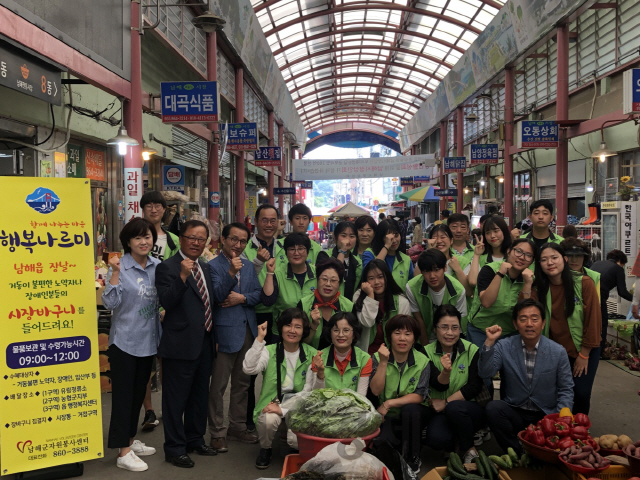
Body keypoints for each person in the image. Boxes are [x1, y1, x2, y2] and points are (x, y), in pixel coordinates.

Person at [155, 220, 218, 468]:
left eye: (201, 239)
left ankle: (195, 439)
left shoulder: (205, 266)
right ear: (181, 238)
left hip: (204, 341)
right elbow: (167, 302)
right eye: (191, 237)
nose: (196, 242)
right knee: (175, 400)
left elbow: (209, 302)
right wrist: (182, 276)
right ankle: (174, 448)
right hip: (179, 344)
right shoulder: (167, 268)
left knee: (199, 396)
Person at [479, 299, 574, 455]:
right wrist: (489, 343)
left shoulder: (558, 351)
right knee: (493, 408)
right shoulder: (504, 345)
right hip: (515, 410)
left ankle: (538, 452)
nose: (529, 324)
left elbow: (566, 388)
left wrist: (560, 417)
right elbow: (485, 373)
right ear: (515, 324)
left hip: (545, 414)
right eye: (523, 319)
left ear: (543, 323)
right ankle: (517, 453)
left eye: (534, 319)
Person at [102, 218, 160, 472]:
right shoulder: (119, 266)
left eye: (147, 237)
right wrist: (114, 272)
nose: (143, 241)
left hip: (148, 341)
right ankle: (122, 452)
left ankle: (129, 440)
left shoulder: (157, 266)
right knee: (124, 398)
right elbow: (110, 304)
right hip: (124, 342)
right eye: (137, 238)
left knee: (137, 396)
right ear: (128, 242)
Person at [242, 309, 321, 469]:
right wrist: (259, 339)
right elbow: (248, 369)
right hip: (273, 401)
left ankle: (292, 445)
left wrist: (283, 410)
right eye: (288, 325)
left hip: (299, 404)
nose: (292, 330)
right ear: (281, 328)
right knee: (268, 420)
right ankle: (266, 448)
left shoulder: (312, 354)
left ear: (304, 331)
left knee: (294, 440)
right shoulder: (269, 351)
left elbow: (310, 391)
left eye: (297, 327)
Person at [207, 222, 261, 453]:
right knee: (218, 385)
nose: (238, 245)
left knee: (242, 383)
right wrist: (231, 273)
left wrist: (242, 298)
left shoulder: (248, 266)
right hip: (224, 332)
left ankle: (237, 427)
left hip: (247, 330)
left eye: (242, 242)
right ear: (224, 240)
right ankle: (217, 432)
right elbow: (217, 295)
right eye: (234, 240)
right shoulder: (212, 266)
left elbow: (258, 294)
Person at [532, 243, 601, 414]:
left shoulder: (584, 283)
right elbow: (525, 315)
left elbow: (593, 320)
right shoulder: (539, 288)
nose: (550, 263)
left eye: (554, 257)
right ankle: (559, 430)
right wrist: (527, 284)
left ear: (564, 259)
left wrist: (584, 354)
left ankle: (580, 430)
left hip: (582, 349)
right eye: (544, 260)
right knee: (555, 393)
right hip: (554, 352)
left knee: (581, 393)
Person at [424, 305, 486, 465]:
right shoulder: (426, 352)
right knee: (436, 439)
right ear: (435, 329)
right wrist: (445, 372)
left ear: (460, 329)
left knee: (454, 408)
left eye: (454, 328)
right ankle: (453, 444)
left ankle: (469, 449)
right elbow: (436, 385)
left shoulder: (471, 349)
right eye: (444, 327)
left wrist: (446, 403)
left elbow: (474, 386)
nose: (450, 333)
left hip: (467, 410)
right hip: (439, 412)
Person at [241, 204, 284, 431]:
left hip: (278, 317)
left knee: (277, 371)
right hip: (251, 316)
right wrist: (257, 263)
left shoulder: (284, 249)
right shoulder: (245, 249)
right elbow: (242, 281)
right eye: (264, 220)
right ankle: (247, 421)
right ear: (255, 222)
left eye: (273, 220)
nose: (269, 224)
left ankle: (276, 417)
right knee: (248, 372)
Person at [370, 314, 431, 475]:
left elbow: (419, 395)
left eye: (408, 334)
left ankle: (413, 456)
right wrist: (383, 362)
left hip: (410, 413)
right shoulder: (377, 357)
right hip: (386, 416)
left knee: (411, 410)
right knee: (384, 444)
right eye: (397, 333)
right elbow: (375, 390)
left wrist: (388, 403)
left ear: (414, 338)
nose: (402, 338)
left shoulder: (422, 361)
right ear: (389, 336)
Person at [140, 191, 180, 431]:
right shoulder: (134, 235)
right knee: (145, 362)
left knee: (167, 362)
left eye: (158, 206)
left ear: (165, 210)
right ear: (143, 209)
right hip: (142, 307)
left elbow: (177, 275)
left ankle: (168, 406)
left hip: (167, 307)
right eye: (149, 206)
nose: (154, 210)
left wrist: (167, 307)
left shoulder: (174, 240)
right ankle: (149, 410)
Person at [466, 238, 536, 348]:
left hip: (510, 333)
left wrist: (527, 284)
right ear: (509, 251)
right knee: (481, 363)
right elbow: (486, 302)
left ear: (532, 261)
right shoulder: (489, 270)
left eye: (528, 255)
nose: (522, 257)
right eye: (518, 251)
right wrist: (500, 274)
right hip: (480, 330)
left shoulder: (529, 278)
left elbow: (525, 312)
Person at [405, 249, 467, 346]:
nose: (432, 276)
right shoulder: (412, 287)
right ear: (421, 272)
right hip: (423, 336)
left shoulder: (458, 290)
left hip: (448, 336)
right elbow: (418, 320)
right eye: (427, 271)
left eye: (436, 270)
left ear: (445, 268)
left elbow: (457, 324)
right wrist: (426, 350)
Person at [261, 233, 317, 338]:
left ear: (308, 252)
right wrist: (269, 273)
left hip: (310, 332)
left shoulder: (317, 273)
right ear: (286, 253)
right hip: (282, 334)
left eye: (301, 249)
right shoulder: (277, 274)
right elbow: (267, 301)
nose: (296, 253)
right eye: (291, 249)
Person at [352, 259, 412, 354]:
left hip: (393, 355)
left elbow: (405, 333)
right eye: (371, 278)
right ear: (365, 281)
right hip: (365, 354)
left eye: (380, 277)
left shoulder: (401, 301)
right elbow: (368, 322)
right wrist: (370, 295)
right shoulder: (358, 297)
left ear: (387, 277)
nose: (376, 282)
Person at [312, 312, 373, 395]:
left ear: (354, 333)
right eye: (336, 330)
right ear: (330, 333)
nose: (341, 335)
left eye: (346, 330)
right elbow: (316, 395)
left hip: (353, 406)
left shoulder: (364, 359)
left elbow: (361, 396)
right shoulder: (319, 357)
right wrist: (320, 374)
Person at [301, 258, 354, 349]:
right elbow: (301, 342)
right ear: (317, 280)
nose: (328, 284)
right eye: (324, 279)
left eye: (333, 280)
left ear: (340, 283)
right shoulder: (304, 304)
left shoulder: (349, 306)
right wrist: (313, 326)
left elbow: (352, 341)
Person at [591, 250, 633, 353]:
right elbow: (622, 292)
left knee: (590, 322)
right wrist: (635, 299)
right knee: (602, 323)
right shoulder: (618, 269)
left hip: (586, 294)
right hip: (599, 296)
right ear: (620, 261)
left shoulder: (597, 263)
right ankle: (599, 352)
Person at [362, 219, 414, 290]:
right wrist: (386, 246)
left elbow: (411, 286)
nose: (394, 240)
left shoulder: (406, 259)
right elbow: (371, 273)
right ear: (381, 238)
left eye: (396, 236)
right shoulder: (369, 253)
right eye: (388, 238)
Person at [316, 221, 362, 301]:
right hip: (328, 303)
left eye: (352, 236)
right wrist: (342, 251)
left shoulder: (358, 262)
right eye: (343, 236)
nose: (348, 240)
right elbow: (336, 273)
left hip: (348, 306)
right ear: (335, 237)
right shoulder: (325, 256)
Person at [426, 224, 472, 296]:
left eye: (443, 237)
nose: (439, 241)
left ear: (451, 240)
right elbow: (417, 282)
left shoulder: (462, 261)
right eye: (435, 237)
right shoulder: (424, 260)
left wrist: (458, 270)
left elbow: (469, 292)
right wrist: (429, 252)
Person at [468, 216, 512, 289]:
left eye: (496, 231)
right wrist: (476, 255)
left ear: (504, 231)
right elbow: (473, 282)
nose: (492, 236)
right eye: (488, 233)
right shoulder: (481, 258)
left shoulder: (513, 256)